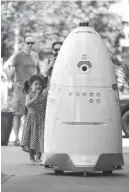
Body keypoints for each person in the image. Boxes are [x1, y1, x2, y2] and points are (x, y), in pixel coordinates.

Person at [7, 35, 40, 146]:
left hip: (32, 89)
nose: (30, 45)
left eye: (32, 43)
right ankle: (16, 138)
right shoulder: (18, 55)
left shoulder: (35, 55)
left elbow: (39, 70)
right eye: (28, 43)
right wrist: (13, 81)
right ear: (24, 43)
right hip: (20, 89)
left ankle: (27, 139)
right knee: (18, 114)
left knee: (30, 114)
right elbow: (5, 67)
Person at [21, 75, 48, 165]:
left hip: (41, 119)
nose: (38, 86)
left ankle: (38, 158)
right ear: (30, 85)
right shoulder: (29, 95)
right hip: (31, 119)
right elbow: (27, 104)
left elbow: (49, 89)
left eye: (40, 84)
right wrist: (36, 97)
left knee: (40, 138)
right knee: (31, 139)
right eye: (36, 84)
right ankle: (31, 158)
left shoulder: (44, 94)